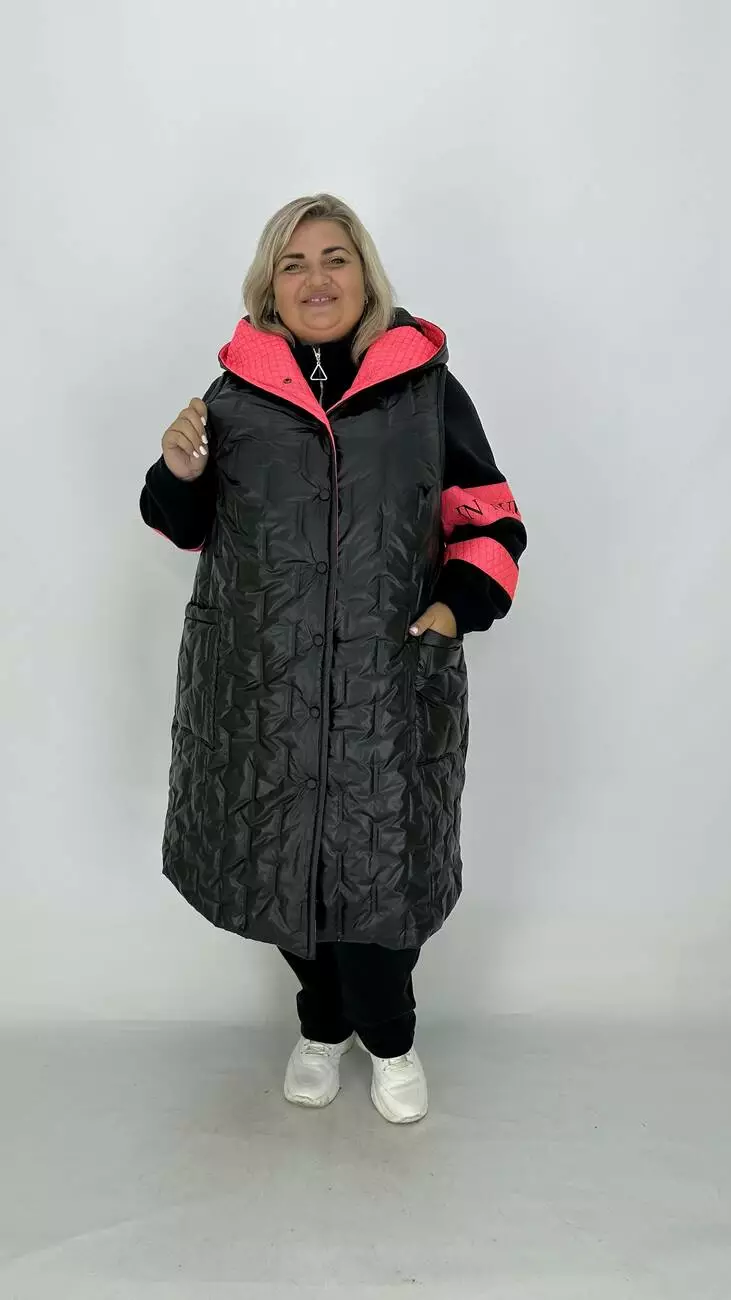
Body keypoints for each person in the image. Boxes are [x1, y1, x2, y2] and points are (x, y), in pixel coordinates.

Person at [140, 193, 526, 1125]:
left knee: (380, 869)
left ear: (365, 274)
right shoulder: (234, 398)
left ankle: (388, 1036)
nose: (316, 279)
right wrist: (178, 471)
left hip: (386, 681)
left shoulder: (425, 390)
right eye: (294, 263)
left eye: (335, 258)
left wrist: (452, 609)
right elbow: (186, 526)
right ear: (268, 288)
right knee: (283, 865)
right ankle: (321, 1022)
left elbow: (488, 515)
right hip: (263, 684)